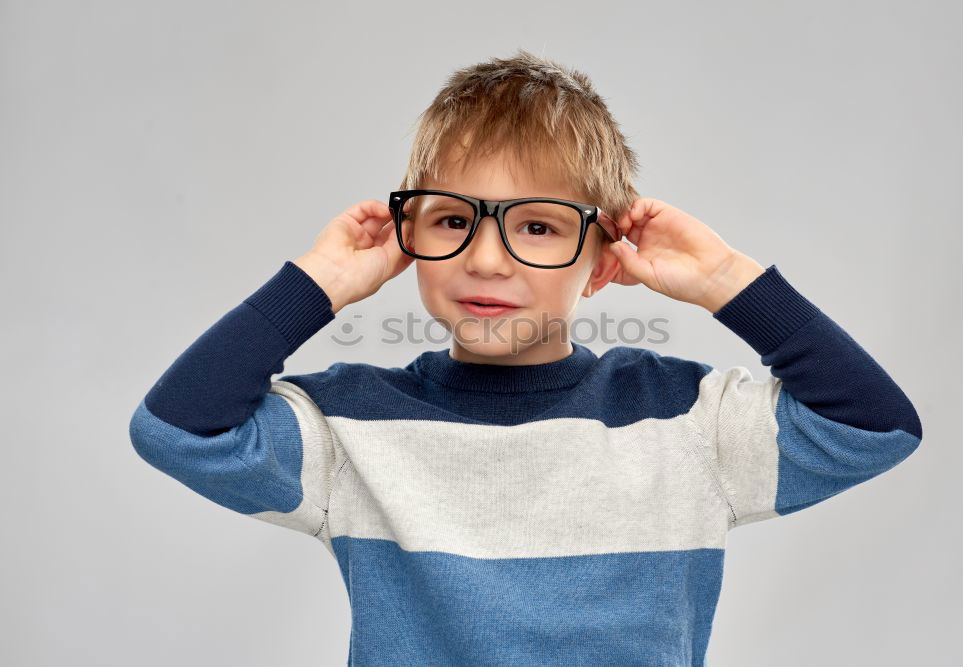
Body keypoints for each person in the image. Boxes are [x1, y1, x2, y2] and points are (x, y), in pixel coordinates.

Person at [129, 49, 922, 666]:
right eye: (449, 221)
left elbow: (873, 426)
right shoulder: (350, 428)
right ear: (410, 239)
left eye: (538, 226)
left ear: (604, 261)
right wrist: (316, 284)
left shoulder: (686, 421)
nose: (486, 259)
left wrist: (727, 283)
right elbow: (179, 430)